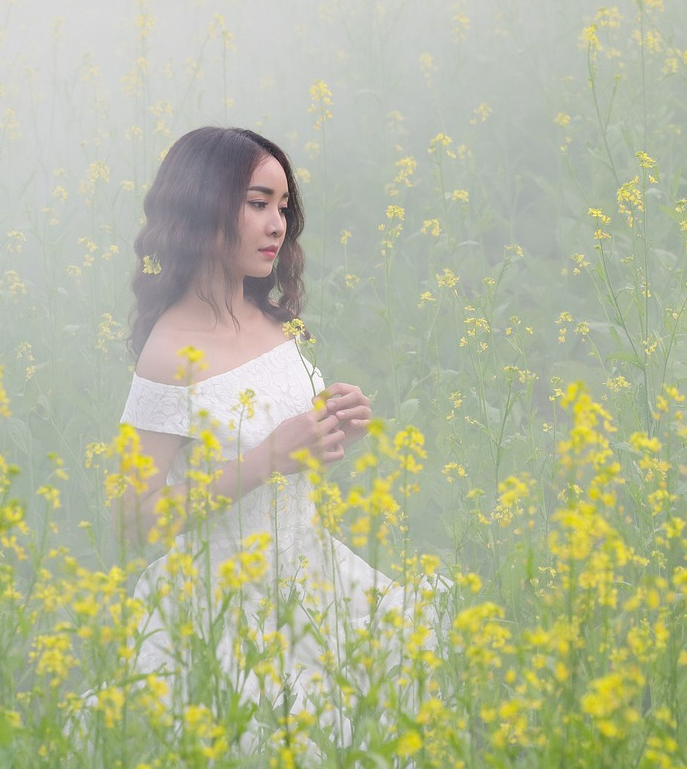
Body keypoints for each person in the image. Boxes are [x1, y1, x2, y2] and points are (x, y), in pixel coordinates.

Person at [112, 127, 448, 757]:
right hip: (227, 611)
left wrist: (333, 421)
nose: (277, 226)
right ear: (203, 206)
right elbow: (133, 521)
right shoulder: (167, 351)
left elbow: (286, 437)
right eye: (256, 203)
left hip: (315, 576)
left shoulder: (268, 318)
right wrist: (269, 459)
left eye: (284, 207)